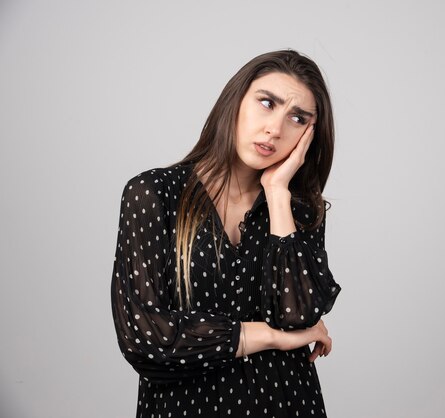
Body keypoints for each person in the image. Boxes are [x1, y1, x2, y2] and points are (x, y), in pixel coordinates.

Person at [110, 49, 342, 418]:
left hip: (289, 404)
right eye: (267, 103)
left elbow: (298, 315)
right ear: (234, 102)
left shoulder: (298, 210)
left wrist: (278, 193)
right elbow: (147, 339)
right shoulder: (156, 194)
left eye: (297, 118)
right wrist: (271, 337)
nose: (276, 129)